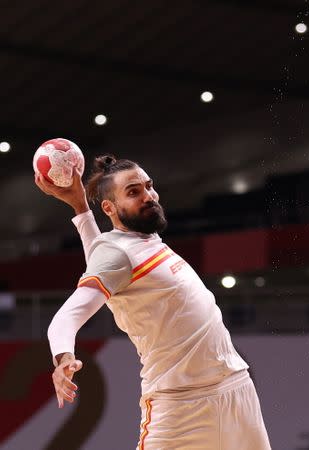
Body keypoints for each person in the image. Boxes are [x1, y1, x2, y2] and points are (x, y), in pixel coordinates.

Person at [36, 158, 271, 449]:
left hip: (236, 390)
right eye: (133, 192)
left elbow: (102, 259)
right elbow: (66, 318)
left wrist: (81, 208)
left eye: (149, 186)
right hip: (180, 409)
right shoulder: (117, 253)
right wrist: (63, 358)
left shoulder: (140, 242)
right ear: (109, 209)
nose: (148, 195)